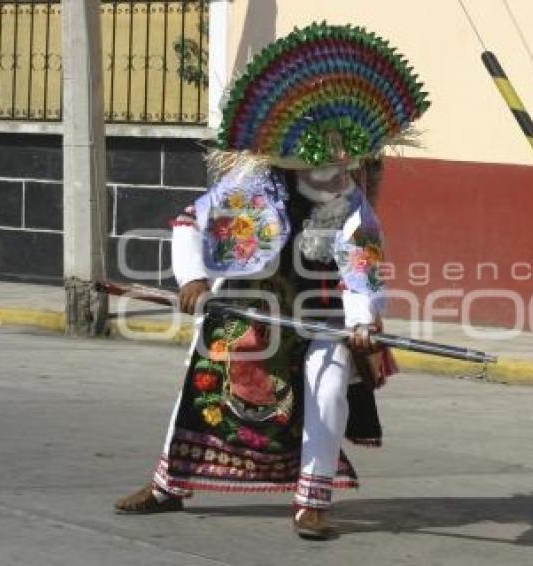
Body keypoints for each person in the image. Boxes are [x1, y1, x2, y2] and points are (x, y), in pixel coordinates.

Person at [114, 22, 430, 540]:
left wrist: (361, 321)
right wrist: (193, 279)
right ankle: (167, 486)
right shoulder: (251, 185)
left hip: (321, 313)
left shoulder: (350, 201)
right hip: (250, 308)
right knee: (200, 390)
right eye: (324, 165)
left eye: (343, 165)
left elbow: (361, 263)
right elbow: (189, 224)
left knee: (329, 391)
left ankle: (313, 502)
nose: (336, 174)